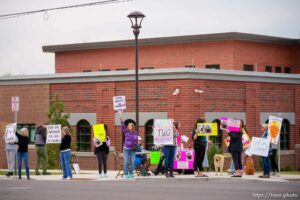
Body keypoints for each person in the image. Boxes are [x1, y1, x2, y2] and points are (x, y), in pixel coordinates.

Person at [119, 112, 139, 179]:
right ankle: (125, 174)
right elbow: (122, 126)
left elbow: (136, 140)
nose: (128, 126)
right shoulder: (126, 131)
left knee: (132, 162)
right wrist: (120, 117)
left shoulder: (136, 133)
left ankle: (131, 173)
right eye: (128, 126)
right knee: (126, 161)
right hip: (126, 149)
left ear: (132, 127)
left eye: (129, 126)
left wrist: (136, 144)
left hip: (133, 149)